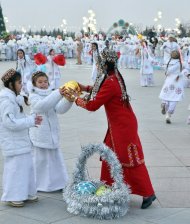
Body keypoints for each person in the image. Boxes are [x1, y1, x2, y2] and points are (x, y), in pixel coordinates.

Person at [63, 50, 156, 209]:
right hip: (118, 125)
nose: (97, 67)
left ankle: (148, 193)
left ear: (105, 65)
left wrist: (75, 99)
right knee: (109, 155)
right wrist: (84, 87)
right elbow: (98, 89)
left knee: (129, 159)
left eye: (99, 64)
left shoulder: (111, 81)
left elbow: (92, 105)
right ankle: (110, 188)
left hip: (123, 127)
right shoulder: (112, 77)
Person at [0, 69, 42, 207]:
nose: (21, 85)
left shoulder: (14, 98)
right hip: (12, 141)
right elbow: (10, 123)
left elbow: (18, 119)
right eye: (19, 82)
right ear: (11, 84)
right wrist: (30, 121)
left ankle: (27, 192)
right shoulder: (6, 101)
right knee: (15, 169)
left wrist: (31, 119)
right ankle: (14, 195)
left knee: (26, 167)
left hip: (20, 140)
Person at [29, 71, 72, 192]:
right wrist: (58, 93)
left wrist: (68, 100)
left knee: (54, 160)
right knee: (40, 161)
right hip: (40, 134)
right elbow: (42, 106)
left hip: (52, 133)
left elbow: (59, 109)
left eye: (45, 81)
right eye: (40, 82)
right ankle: (39, 184)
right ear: (34, 84)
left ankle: (57, 183)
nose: (43, 84)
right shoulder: (33, 95)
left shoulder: (51, 93)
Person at [159, 50, 184, 124]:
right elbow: (186, 70)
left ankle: (164, 104)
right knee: (174, 98)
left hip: (169, 81)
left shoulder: (168, 61)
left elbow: (167, 70)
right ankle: (168, 114)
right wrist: (180, 74)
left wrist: (166, 72)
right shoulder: (180, 63)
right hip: (177, 83)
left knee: (166, 95)